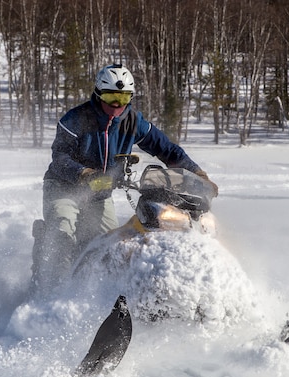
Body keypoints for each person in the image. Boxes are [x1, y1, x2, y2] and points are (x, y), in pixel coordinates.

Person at [31, 63, 217, 294]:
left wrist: (197, 173)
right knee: (63, 232)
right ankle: (50, 289)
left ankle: (98, 293)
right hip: (64, 187)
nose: (117, 105)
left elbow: (166, 149)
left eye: (123, 97)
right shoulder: (75, 119)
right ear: (99, 94)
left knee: (108, 245)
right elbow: (60, 157)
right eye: (111, 96)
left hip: (100, 193)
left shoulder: (133, 121)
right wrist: (84, 173)